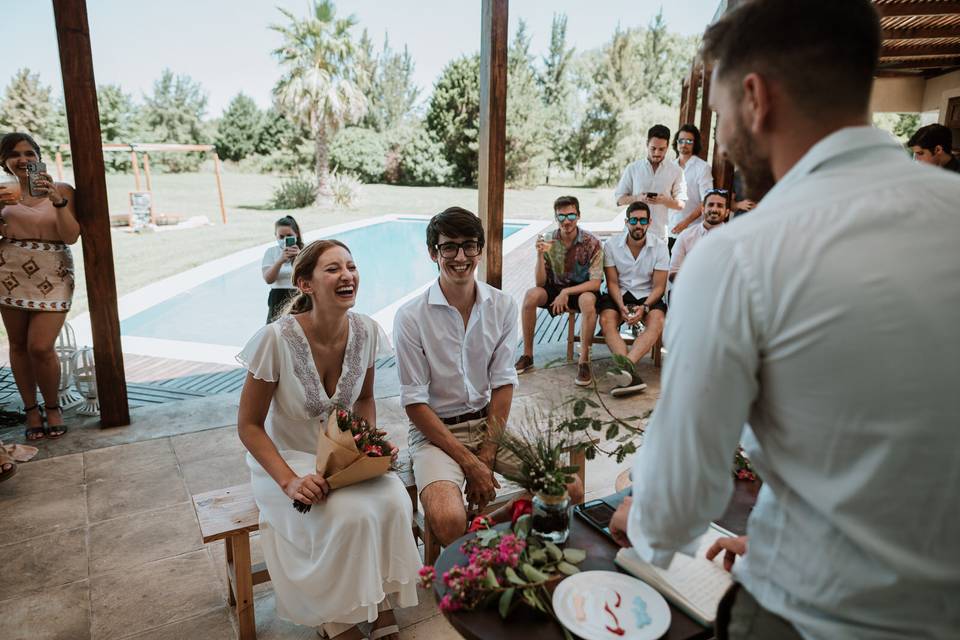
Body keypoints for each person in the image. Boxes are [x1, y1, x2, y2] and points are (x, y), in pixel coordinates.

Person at [609, 1, 960, 639]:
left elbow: (673, 510)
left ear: (754, 98)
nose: (721, 136)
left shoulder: (742, 255)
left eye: (718, 116)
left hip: (815, 614)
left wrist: (640, 514)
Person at [237, 239, 419, 640]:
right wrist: (290, 481)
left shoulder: (367, 331)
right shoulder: (275, 340)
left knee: (393, 501)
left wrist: (364, 441)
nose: (347, 275)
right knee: (346, 515)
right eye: (333, 269)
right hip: (287, 460)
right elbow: (249, 425)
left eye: (351, 267)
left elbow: (367, 398)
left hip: (344, 455)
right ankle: (335, 617)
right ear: (306, 284)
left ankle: (380, 600)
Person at [394, 207, 583, 547]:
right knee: (449, 519)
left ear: (480, 249)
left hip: (488, 426)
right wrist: (470, 464)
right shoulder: (411, 317)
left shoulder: (502, 306)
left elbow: (503, 382)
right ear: (433, 253)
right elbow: (415, 404)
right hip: (436, 434)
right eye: (449, 247)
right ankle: (482, 552)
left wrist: (485, 456)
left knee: (568, 488)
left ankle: (501, 523)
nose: (460, 256)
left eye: (469, 245)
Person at [0, 132, 79, 441]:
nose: (23, 159)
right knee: (18, 345)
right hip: (9, 272)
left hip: (54, 272)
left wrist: (56, 201)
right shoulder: (4, 193)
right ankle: (31, 410)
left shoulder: (61, 190)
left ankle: (53, 406)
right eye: (15, 154)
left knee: (40, 347)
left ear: (38, 157)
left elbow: (71, 235)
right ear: (4, 161)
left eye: (29, 153)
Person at [514, 196, 602, 387]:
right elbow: (540, 282)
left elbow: (595, 284)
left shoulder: (591, 242)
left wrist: (567, 292)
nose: (567, 221)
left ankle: (584, 361)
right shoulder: (549, 240)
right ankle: (527, 355)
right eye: (561, 217)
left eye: (571, 215)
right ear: (556, 218)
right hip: (554, 288)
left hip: (581, 290)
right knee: (531, 295)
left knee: (588, 301)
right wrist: (539, 255)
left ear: (578, 216)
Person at [597, 202, 668, 397]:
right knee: (606, 320)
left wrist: (644, 307)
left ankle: (625, 370)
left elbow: (659, 286)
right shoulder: (611, 245)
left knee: (658, 321)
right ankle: (629, 375)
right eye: (634, 220)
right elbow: (611, 282)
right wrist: (620, 307)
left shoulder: (660, 246)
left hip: (648, 295)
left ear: (649, 222)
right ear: (627, 222)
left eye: (643, 220)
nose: (638, 225)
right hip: (619, 292)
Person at [615, 124, 687, 242]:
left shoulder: (676, 171)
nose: (657, 153)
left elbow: (681, 205)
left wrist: (664, 201)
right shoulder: (633, 168)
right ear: (647, 144)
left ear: (667, 146)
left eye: (661, 149)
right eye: (653, 148)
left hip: (659, 236)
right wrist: (638, 198)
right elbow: (619, 200)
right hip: (632, 234)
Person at [668, 124, 714, 252]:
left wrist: (685, 222)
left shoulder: (702, 168)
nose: (684, 144)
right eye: (681, 140)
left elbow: (706, 200)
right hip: (669, 231)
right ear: (676, 142)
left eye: (689, 141)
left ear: (695, 144)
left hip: (692, 231)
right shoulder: (668, 167)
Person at [669, 189, 730, 281]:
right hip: (688, 288)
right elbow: (673, 272)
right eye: (710, 205)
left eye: (720, 206)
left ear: (727, 213)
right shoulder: (685, 236)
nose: (714, 209)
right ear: (702, 209)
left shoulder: (733, 238)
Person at [262, 215, 303, 323]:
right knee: (275, 333)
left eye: (289, 235)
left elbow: (311, 277)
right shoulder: (271, 252)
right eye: (281, 236)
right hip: (277, 298)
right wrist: (280, 261)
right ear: (275, 236)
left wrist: (299, 258)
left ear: (296, 234)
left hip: (300, 296)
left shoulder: (304, 251)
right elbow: (268, 279)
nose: (284, 239)